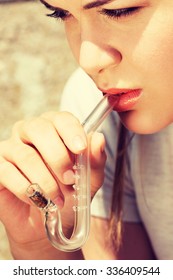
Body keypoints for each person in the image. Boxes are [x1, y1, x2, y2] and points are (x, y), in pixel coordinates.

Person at [0, 0, 173, 260]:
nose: (87, 61)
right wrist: (40, 251)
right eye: (62, 14)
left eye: (120, 11)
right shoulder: (93, 103)